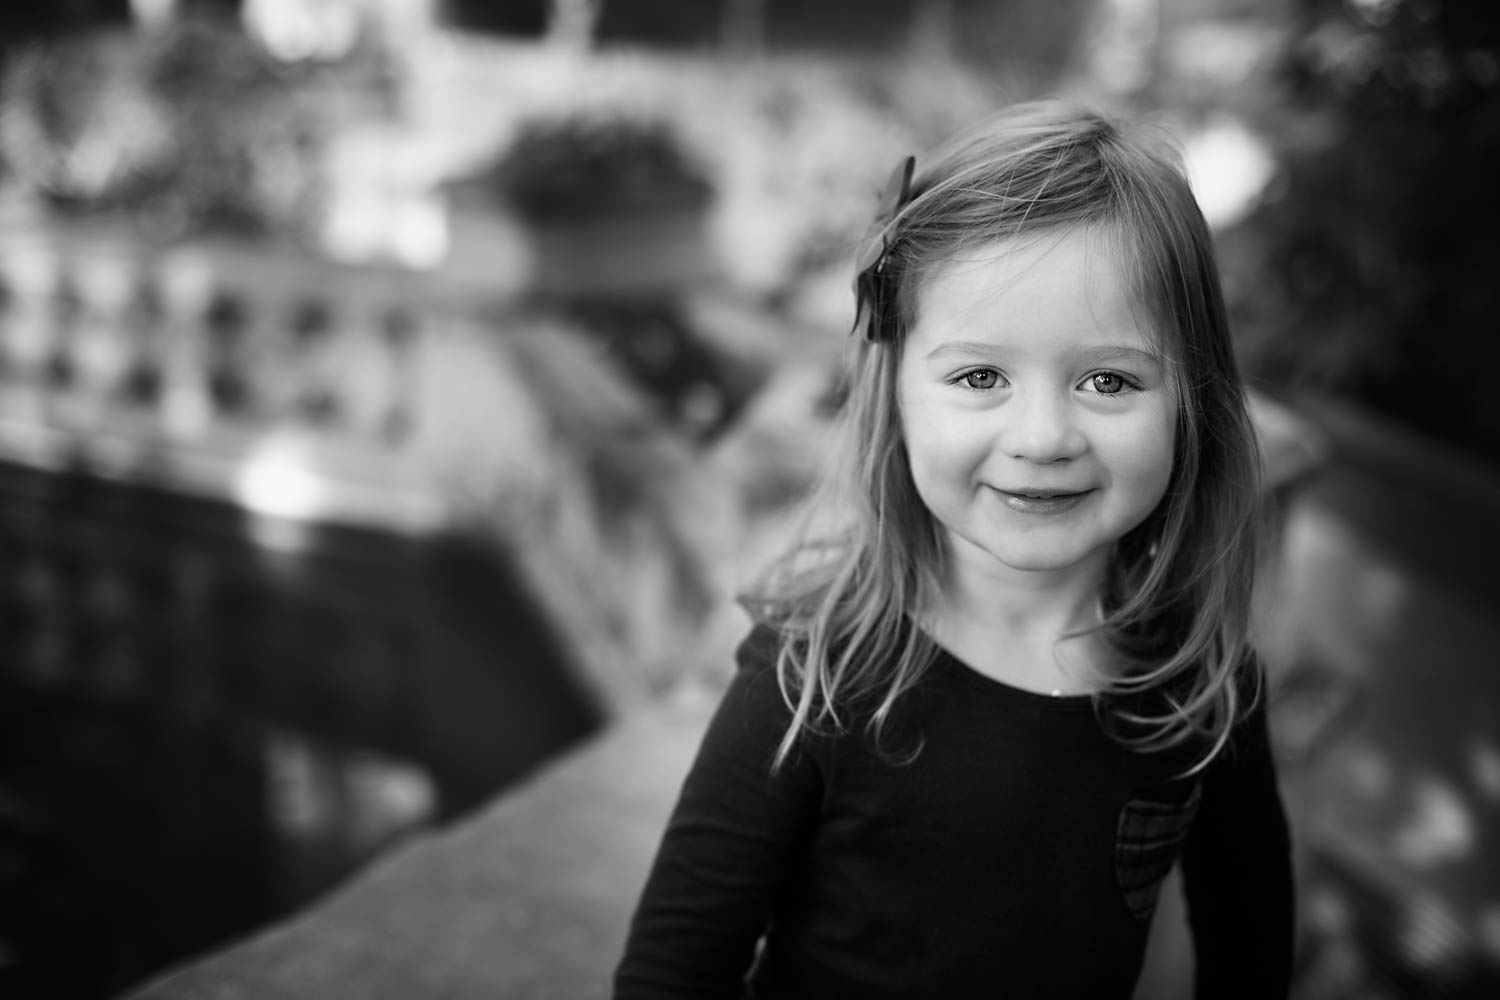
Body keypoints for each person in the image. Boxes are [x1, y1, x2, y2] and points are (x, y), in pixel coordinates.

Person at [613, 100, 1294, 999]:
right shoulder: (816, 670)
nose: (1044, 435)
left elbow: (1251, 950)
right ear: (894, 389)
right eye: (981, 376)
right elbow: (672, 975)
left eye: (1108, 379)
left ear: (1191, 402)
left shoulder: (1201, 687)